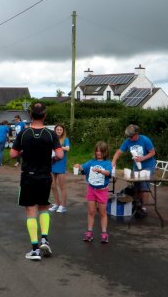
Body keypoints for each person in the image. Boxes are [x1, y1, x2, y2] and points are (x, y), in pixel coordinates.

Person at [10, 103, 63, 260]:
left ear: (30, 115)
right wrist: (51, 158)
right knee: (44, 207)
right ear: (45, 115)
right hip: (45, 176)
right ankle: (44, 239)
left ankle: (34, 250)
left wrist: (24, 152)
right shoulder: (50, 134)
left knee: (30, 211)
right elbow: (60, 155)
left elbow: (13, 154)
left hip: (28, 176)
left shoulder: (24, 133)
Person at [111, 124, 156, 210]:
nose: (130, 138)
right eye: (128, 137)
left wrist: (142, 158)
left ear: (136, 134)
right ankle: (137, 204)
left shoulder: (145, 140)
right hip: (136, 166)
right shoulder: (128, 141)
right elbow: (119, 152)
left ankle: (143, 208)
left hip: (148, 166)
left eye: (131, 137)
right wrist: (114, 161)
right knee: (136, 187)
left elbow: (152, 153)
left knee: (144, 187)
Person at [75, 141, 112, 243]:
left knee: (102, 212)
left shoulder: (107, 163)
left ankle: (104, 233)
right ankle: (89, 232)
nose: (98, 153)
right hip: (91, 189)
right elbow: (83, 168)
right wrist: (79, 166)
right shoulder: (91, 162)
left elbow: (108, 173)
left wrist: (101, 171)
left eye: (100, 151)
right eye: (97, 150)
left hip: (102, 191)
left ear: (105, 152)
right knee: (91, 212)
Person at [49, 123, 71, 213]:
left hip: (61, 164)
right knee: (53, 186)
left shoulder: (65, 139)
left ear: (63, 131)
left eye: (60, 130)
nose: (58, 131)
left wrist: (58, 147)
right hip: (52, 163)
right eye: (57, 129)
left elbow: (68, 148)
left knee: (62, 186)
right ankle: (56, 203)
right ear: (55, 130)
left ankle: (63, 205)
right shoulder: (52, 139)